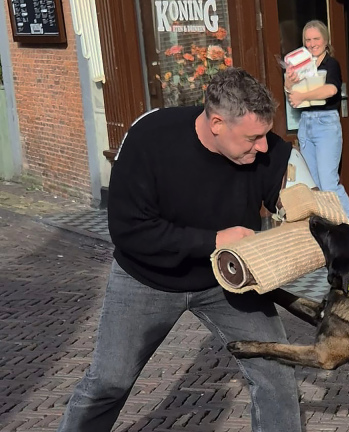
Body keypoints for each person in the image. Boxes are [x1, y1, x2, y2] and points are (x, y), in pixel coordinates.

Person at [57, 68, 303, 432]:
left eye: (265, 135)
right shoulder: (150, 138)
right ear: (217, 123)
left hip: (227, 280)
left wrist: (309, 212)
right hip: (146, 278)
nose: (263, 146)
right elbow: (128, 230)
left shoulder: (262, 147)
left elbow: (293, 196)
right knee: (109, 382)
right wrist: (215, 241)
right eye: (253, 138)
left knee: (276, 376)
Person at [283, 20, 349, 228]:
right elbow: (291, 93)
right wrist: (290, 82)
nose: (312, 43)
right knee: (314, 185)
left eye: (316, 39)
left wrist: (302, 95)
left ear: (325, 41)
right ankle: (332, 228)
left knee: (329, 183)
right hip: (306, 123)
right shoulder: (301, 65)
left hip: (325, 123)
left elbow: (331, 90)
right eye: (307, 40)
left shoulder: (331, 64)